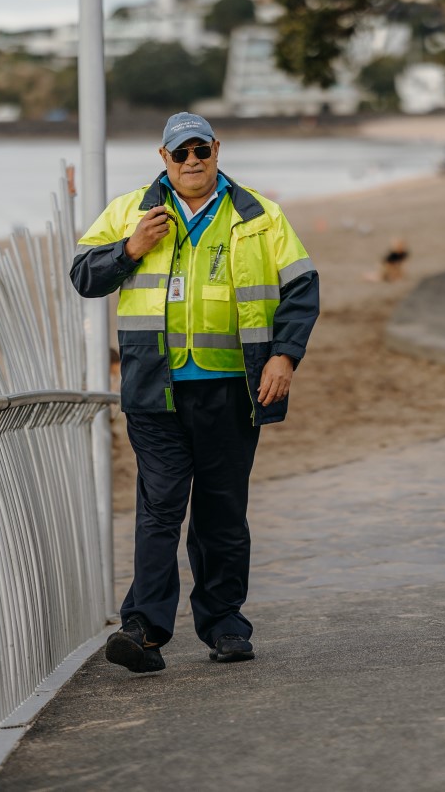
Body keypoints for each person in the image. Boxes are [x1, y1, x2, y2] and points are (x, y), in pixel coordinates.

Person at [71, 112, 320, 672]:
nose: (191, 162)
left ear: (216, 150)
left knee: (221, 514)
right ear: (163, 158)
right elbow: (84, 276)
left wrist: (284, 355)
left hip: (232, 388)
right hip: (153, 389)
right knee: (160, 509)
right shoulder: (129, 212)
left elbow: (302, 286)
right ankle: (144, 628)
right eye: (180, 153)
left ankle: (225, 624)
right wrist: (129, 249)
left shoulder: (258, 215)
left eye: (200, 151)